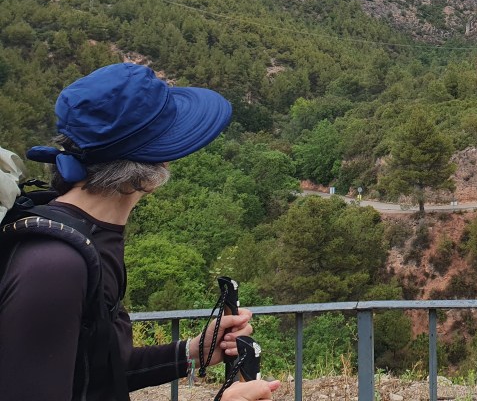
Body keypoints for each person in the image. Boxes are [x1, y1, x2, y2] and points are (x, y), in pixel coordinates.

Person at [0, 62, 280, 401]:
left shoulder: (90, 239)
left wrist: (194, 352)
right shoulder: (54, 265)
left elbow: (93, 372)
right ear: (148, 170)